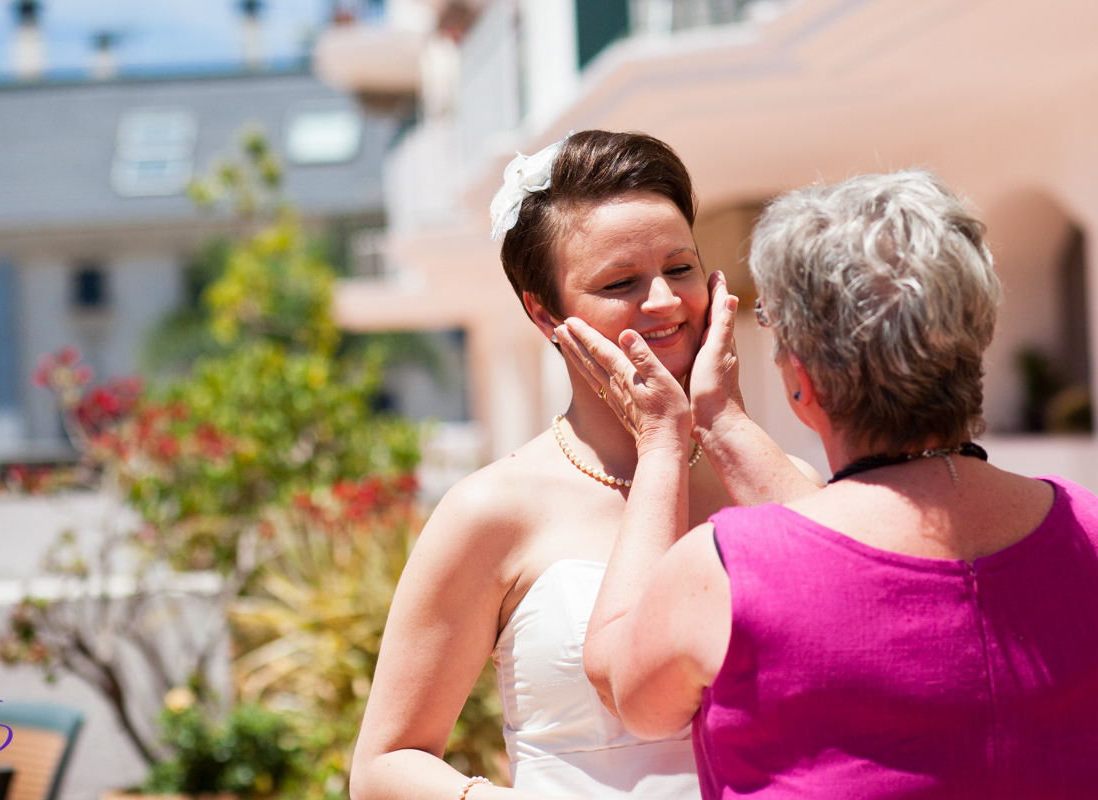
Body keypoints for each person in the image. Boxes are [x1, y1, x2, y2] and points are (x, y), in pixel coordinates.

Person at [576, 169, 1098, 799]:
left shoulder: (727, 568)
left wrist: (663, 437)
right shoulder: (1086, 527)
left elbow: (622, 688)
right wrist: (721, 422)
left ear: (803, 379)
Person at [350, 130, 818, 800]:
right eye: (621, 282)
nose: (664, 302)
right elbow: (383, 765)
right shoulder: (493, 509)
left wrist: (724, 426)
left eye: (680, 268)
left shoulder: (784, 477)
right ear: (544, 313)